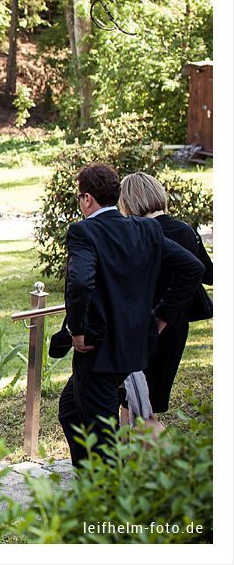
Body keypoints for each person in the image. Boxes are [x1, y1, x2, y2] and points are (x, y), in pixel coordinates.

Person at [56, 164, 203, 465]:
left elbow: (81, 281)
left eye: (79, 197)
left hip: (98, 349)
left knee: (101, 437)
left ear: (87, 199)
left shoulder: (84, 231)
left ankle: (108, 500)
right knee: (70, 409)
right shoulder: (145, 229)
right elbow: (193, 267)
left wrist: (77, 330)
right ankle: (90, 478)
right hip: (134, 346)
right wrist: (159, 318)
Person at [116, 171, 213, 434]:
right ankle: (134, 465)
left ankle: (165, 464)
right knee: (143, 404)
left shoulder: (137, 233)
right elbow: (209, 273)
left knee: (138, 408)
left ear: (128, 201)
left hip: (145, 326)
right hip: (177, 327)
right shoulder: (185, 230)